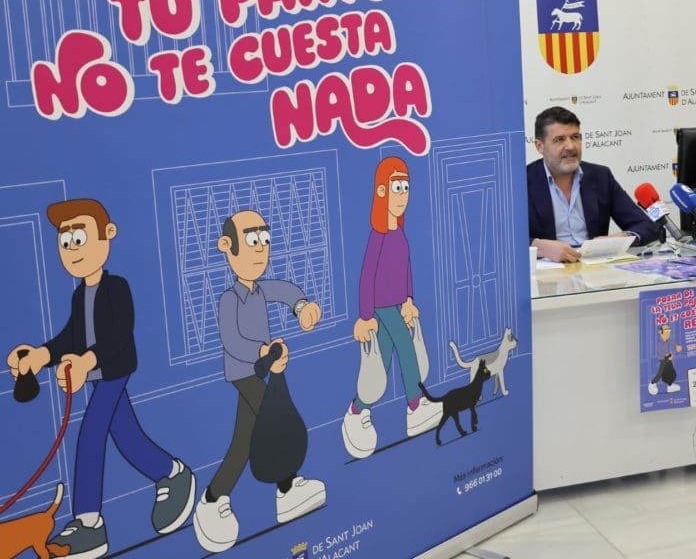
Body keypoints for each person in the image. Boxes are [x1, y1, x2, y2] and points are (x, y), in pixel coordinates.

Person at [7, 199, 196, 558]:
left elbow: (119, 335)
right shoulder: (80, 295)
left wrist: (86, 362)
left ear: (107, 234)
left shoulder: (117, 288)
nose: (72, 249)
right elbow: (70, 337)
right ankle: (173, 473)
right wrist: (40, 356)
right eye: (65, 241)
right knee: (127, 436)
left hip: (115, 370)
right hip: (95, 374)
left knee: (92, 433)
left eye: (79, 238)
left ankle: (89, 523)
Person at [194, 209, 326, 553]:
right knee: (274, 422)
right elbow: (232, 340)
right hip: (244, 372)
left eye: (264, 239)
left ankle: (215, 497)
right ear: (228, 246)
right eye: (252, 239)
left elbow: (284, 289)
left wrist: (302, 306)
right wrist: (262, 350)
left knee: (244, 441)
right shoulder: (229, 299)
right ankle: (284, 487)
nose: (260, 248)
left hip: (262, 368)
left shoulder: (260, 290)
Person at [342, 157, 442, 460]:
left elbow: (405, 269)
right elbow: (366, 277)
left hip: (397, 303)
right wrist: (365, 316)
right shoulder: (379, 235)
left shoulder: (398, 231)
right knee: (406, 346)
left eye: (406, 188)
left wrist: (409, 299)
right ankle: (415, 404)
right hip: (381, 307)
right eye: (397, 187)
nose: (403, 195)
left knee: (381, 360)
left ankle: (358, 409)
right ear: (382, 191)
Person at [527, 106, 658, 262]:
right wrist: (540, 247)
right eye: (559, 139)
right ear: (540, 146)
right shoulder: (521, 181)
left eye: (575, 137)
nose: (571, 146)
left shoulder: (600, 176)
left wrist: (623, 237)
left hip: (595, 269)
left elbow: (647, 226)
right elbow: (503, 238)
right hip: (548, 270)